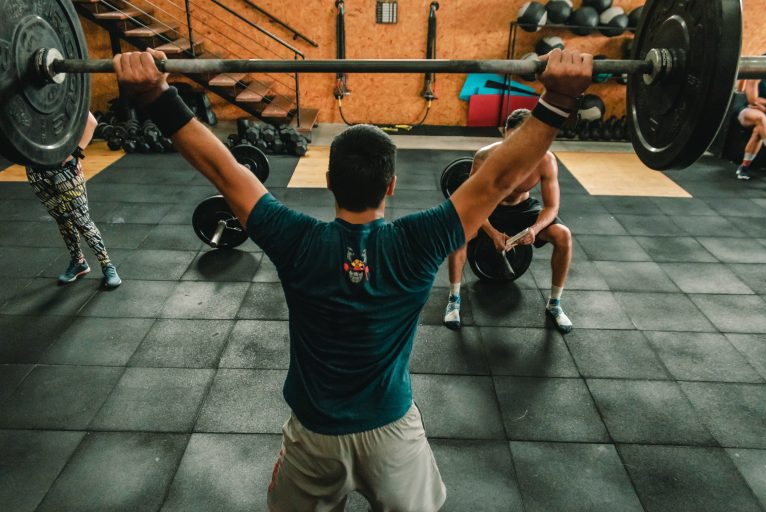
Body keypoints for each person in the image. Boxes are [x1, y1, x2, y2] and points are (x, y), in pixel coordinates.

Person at [113, 47, 592, 511]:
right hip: (392, 434)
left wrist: (156, 95)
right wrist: (557, 100)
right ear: (391, 186)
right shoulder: (420, 241)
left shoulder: (294, 239)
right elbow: (497, 181)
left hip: (315, 436)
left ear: (328, 182)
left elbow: (224, 170)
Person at [443, 108, 573, 334]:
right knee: (459, 233)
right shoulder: (485, 156)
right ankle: (454, 300)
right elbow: (472, 200)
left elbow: (552, 206)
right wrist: (492, 232)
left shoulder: (545, 160)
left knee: (563, 235)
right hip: (489, 207)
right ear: (505, 132)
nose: (517, 146)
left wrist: (534, 229)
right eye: (513, 139)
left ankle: (555, 303)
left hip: (524, 209)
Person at [25, 112, 122, 288]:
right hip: (36, 171)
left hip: (65, 170)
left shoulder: (60, 97)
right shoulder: (19, 102)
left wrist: (75, 152)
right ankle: (78, 262)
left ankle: (107, 265)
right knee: (62, 219)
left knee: (81, 220)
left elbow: (91, 122)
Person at [735, 66, 766, 180]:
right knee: (761, 119)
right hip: (748, 111)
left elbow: (759, 100)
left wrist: (765, 107)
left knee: (758, 130)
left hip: (765, 112)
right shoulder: (758, 72)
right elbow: (753, 100)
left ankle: (744, 167)